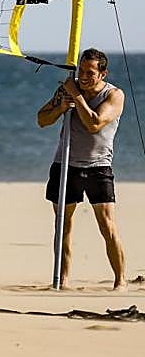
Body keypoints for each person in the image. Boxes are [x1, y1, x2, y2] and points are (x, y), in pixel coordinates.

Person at [36, 47, 127, 289]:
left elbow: (94, 123)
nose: (83, 77)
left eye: (90, 72)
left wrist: (76, 97)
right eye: (81, 71)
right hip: (66, 165)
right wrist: (60, 107)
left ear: (103, 74)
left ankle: (120, 281)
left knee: (107, 225)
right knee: (63, 225)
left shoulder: (114, 95)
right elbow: (42, 119)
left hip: (98, 167)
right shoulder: (68, 88)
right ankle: (62, 280)